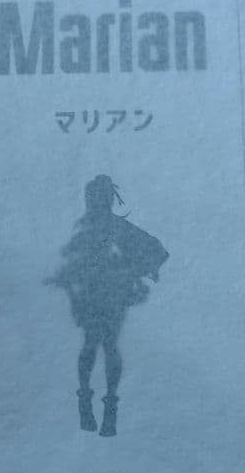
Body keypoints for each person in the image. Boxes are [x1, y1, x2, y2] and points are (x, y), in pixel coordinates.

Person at [49, 175, 169, 437]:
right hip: (90, 296)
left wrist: (132, 271)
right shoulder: (84, 229)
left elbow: (158, 252)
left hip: (114, 296)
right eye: (92, 198)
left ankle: (107, 409)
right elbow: (69, 260)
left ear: (108, 199)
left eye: (100, 198)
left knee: (105, 345)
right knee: (94, 344)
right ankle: (88, 406)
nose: (95, 202)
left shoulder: (119, 228)